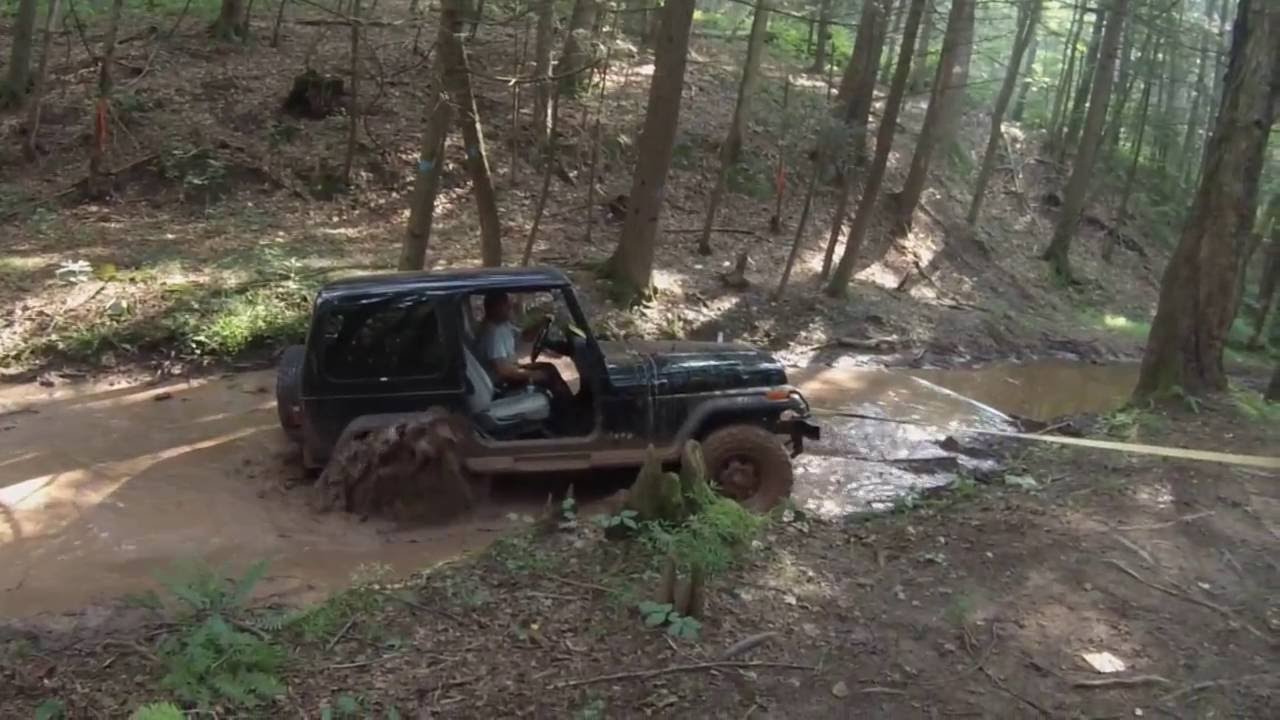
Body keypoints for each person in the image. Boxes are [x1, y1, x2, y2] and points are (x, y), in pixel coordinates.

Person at [476, 291, 573, 412]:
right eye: (507, 305)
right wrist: (534, 375)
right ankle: (566, 411)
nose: (511, 308)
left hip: (510, 370)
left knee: (549, 368)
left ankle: (567, 407)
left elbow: (524, 336)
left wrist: (541, 323)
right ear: (494, 308)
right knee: (547, 376)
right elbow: (503, 372)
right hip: (501, 383)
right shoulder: (492, 333)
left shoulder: (502, 325)